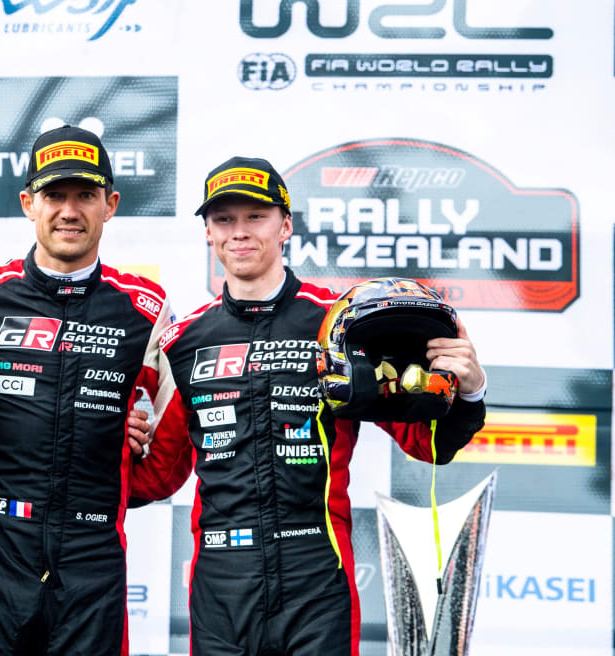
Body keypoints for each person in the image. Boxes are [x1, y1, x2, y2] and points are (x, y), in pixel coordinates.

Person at [129, 156, 487, 656]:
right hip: (221, 578)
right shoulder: (183, 340)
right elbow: (158, 476)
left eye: (256, 216)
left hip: (316, 570)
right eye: (224, 220)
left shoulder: (344, 324)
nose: (240, 232)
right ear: (208, 233)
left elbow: (429, 443)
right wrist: (112, 442)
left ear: (286, 226)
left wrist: (469, 389)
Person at [0, 125, 171, 656]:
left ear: (110, 204)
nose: (69, 210)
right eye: (54, 195)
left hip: (93, 555)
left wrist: (137, 448)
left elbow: (170, 447)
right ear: (27, 204)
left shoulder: (147, 308)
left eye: (85, 195)